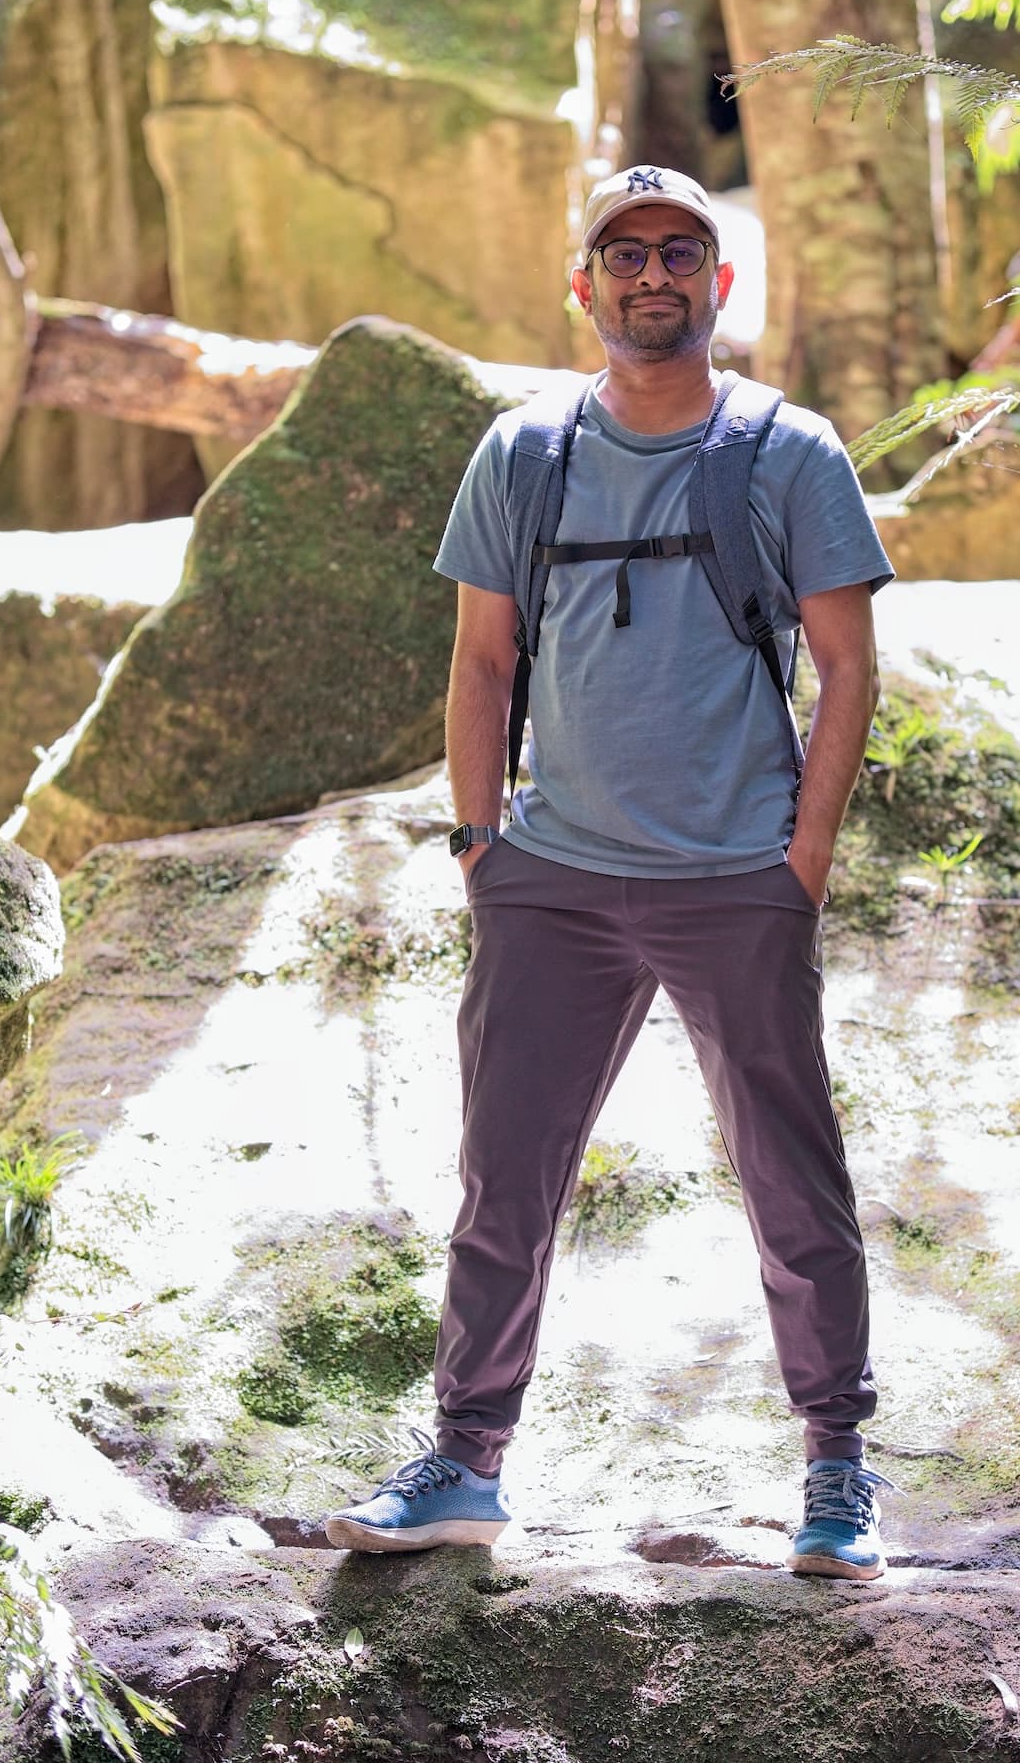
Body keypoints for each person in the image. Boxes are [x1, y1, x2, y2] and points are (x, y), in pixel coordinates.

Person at [325, 164, 896, 1578]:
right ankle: (464, 1462)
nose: (655, 275)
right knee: (504, 1181)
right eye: (625, 253)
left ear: (722, 282)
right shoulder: (525, 453)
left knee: (791, 1184)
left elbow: (847, 666)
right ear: (583, 286)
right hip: (554, 884)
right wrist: (481, 846)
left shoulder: (789, 451)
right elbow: (479, 660)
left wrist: (801, 859)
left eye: (681, 252)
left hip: (736, 884)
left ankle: (837, 1470)